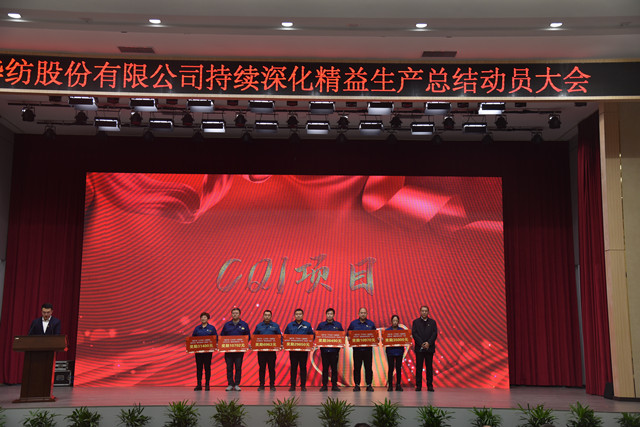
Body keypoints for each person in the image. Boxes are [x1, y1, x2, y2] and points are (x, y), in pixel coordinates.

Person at [220, 307, 250, 391]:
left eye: (236, 313)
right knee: (229, 367)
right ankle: (230, 384)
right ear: (231, 314)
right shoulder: (227, 325)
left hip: (239, 351)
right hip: (228, 351)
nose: (235, 314)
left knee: (238, 367)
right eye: (233, 313)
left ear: (239, 314)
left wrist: (244, 343)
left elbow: (248, 336)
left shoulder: (244, 324)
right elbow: (222, 336)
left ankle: (237, 384)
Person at [283, 308, 314, 391]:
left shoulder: (307, 325)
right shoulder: (290, 325)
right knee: (293, 367)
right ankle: (292, 385)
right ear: (294, 315)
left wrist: (309, 343)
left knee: (303, 367)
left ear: (302, 315)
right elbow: (285, 336)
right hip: (293, 351)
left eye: (300, 314)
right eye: (297, 314)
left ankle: (303, 386)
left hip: (303, 351)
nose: (298, 315)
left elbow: (312, 336)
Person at [347, 307, 376, 392]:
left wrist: (377, 338)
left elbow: (375, 335)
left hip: (368, 350)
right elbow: (348, 333)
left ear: (367, 314)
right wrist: (348, 337)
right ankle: (357, 385)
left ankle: (369, 385)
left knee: (368, 368)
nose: (363, 314)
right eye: (361, 313)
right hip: (357, 350)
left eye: (364, 313)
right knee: (357, 368)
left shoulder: (371, 324)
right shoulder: (353, 324)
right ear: (358, 314)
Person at [253, 309, 282, 391]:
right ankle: (261, 385)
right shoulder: (259, 326)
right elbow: (254, 337)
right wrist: (253, 344)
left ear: (271, 316)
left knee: (271, 368)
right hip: (261, 352)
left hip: (271, 352)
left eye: (268, 315)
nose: (267, 317)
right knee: (262, 368)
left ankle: (272, 385)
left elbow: (280, 337)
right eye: (265, 315)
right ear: (263, 316)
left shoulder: (275, 326)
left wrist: (281, 344)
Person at [316, 307, 343, 391]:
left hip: (334, 351)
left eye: (331, 314)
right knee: (325, 368)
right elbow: (317, 335)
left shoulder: (338, 325)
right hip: (324, 351)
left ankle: (334, 385)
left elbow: (342, 336)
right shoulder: (321, 325)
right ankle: (324, 385)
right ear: (326, 315)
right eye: (328, 314)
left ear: (334, 315)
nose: (329, 315)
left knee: (334, 368)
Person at [412, 305, 438, 391]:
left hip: (429, 348)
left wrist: (428, 343)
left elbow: (434, 334)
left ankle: (429, 385)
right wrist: (421, 343)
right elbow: (414, 334)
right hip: (419, 348)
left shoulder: (433, 322)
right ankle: (418, 385)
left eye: (425, 311)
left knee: (429, 367)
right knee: (419, 367)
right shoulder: (415, 322)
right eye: (422, 311)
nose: (424, 312)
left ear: (428, 312)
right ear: (420, 312)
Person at [191, 312, 217, 391]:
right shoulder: (197, 328)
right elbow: (193, 339)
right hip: (198, 352)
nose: (203, 318)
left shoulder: (212, 328)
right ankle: (199, 385)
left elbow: (215, 338)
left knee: (207, 368)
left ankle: (207, 384)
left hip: (208, 352)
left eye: (205, 317)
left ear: (208, 318)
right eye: (202, 317)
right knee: (199, 368)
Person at [385, 314, 404, 391]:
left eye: (396, 321)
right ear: (391, 321)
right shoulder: (387, 331)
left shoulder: (402, 330)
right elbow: (385, 341)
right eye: (394, 320)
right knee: (391, 368)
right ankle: (390, 385)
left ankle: (398, 385)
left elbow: (405, 340)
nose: (395, 322)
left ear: (398, 322)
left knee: (398, 368)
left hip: (399, 351)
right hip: (390, 352)